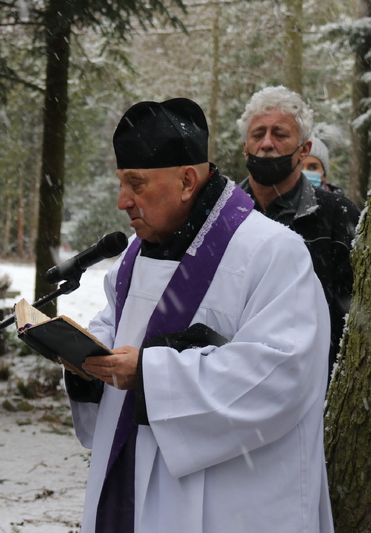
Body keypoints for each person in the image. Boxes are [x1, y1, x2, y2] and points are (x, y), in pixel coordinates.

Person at [65, 98, 333, 532]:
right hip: (136, 484)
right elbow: (112, 324)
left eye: (136, 183)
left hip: (234, 498)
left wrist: (152, 374)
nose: (122, 201)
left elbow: (283, 372)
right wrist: (84, 360)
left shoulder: (270, 251)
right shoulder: (136, 254)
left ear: (188, 180)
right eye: (121, 183)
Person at [237, 86, 360, 377]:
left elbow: (354, 324)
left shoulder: (338, 217)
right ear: (245, 147)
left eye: (279, 134)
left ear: (304, 149)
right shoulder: (221, 215)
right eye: (257, 135)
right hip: (231, 389)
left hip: (310, 391)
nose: (267, 144)